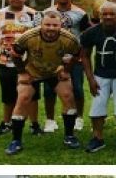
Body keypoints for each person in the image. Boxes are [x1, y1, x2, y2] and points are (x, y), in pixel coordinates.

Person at [4, 9, 82, 155]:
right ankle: (16, 141)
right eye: (47, 25)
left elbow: (77, 55)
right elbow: (14, 53)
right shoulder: (29, 36)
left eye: (54, 25)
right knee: (23, 98)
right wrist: (22, 73)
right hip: (32, 72)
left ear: (61, 26)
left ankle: (69, 136)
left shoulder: (69, 39)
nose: (51, 28)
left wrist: (66, 70)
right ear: (41, 24)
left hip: (55, 72)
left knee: (68, 96)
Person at [80, 2, 116, 153]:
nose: (108, 17)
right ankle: (98, 138)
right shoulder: (91, 32)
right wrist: (91, 79)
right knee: (97, 108)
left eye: (111, 14)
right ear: (100, 16)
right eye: (104, 14)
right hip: (101, 75)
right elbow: (85, 56)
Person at [0, 0, 40, 138]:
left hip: (29, 63)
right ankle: (6, 123)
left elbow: (39, 36)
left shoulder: (34, 14)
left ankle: (34, 124)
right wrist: (6, 50)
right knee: (8, 95)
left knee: (32, 95)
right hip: (6, 62)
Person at [42, 0, 91, 134]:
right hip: (52, 57)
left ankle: (78, 117)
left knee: (77, 88)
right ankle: (50, 120)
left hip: (74, 57)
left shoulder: (80, 14)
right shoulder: (46, 12)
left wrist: (82, 55)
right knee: (49, 89)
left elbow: (86, 36)